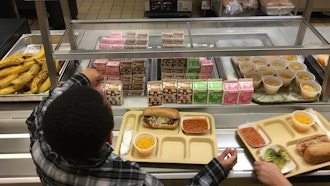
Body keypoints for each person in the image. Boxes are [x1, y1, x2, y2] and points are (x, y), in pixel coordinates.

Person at [27, 68, 238, 186]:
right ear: (110, 137)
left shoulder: (41, 144)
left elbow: (48, 102)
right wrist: (215, 171)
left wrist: (83, 78)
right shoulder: (130, 179)